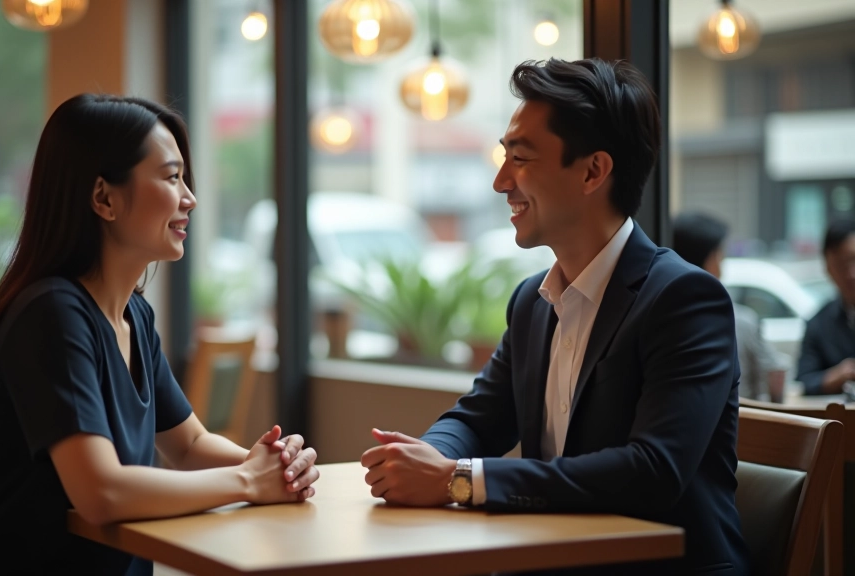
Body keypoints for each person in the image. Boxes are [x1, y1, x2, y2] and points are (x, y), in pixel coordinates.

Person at [360, 58, 748, 575]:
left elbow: (654, 471)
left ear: (593, 171)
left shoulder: (683, 298)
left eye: (520, 159)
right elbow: (478, 419)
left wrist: (457, 479)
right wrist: (424, 458)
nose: (501, 183)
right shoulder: (531, 302)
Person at [0, 95, 319, 576]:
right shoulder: (52, 313)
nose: (189, 198)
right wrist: (246, 481)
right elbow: (101, 493)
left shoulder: (136, 314)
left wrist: (274, 468)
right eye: (172, 177)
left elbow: (190, 445)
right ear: (104, 198)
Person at [673, 211, 788, 401]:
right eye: (720, 255)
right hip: (745, 425)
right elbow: (775, 375)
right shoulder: (738, 320)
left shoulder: (658, 314)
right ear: (710, 259)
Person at [796, 219, 855, 395]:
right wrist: (841, 374)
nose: (851, 274)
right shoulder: (818, 324)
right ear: (827, 267)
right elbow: (804, 382)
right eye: (841, 264)